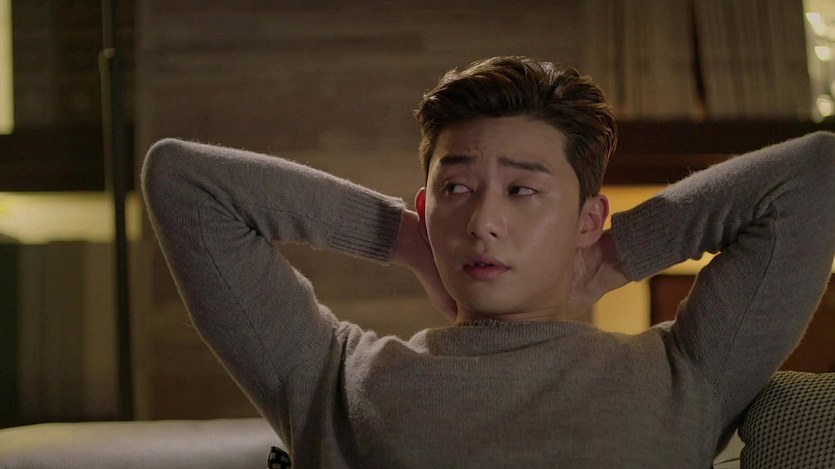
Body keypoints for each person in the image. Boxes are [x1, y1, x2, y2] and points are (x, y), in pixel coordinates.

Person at [142, 56, 835, 468]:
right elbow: (183, 180)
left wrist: (611, 256)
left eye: (523, 190)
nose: (482, 222)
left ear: (585, 218)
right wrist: (404, 238)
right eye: (456, 190)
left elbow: (813, 174)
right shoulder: (333, 378)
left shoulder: (685, 373)